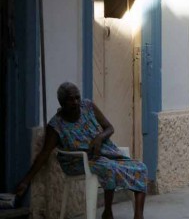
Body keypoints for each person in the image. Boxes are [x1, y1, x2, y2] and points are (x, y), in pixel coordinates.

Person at [15, 82, 147, 219]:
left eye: (77, 98)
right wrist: (26, 181)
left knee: (140, 168)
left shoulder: (88, 106)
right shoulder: (56, 125)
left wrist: (99, 138)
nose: (75, 102)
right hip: (77, 162)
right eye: (70, 99)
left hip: (104, 153)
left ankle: (138, 215)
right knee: (109, 167)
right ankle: (108, 212)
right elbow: (44, 153)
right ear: (62, 103)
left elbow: (109, 128)